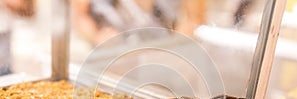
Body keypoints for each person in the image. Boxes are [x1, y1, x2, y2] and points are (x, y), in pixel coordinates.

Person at [72, 0, 206, 45]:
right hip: (113, 58)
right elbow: (81, 16)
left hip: (164, 54)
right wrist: (97, 36)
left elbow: (195, 19)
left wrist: (179, 40)